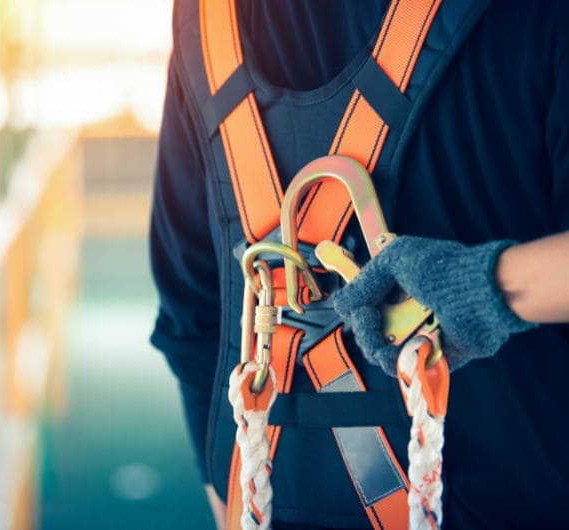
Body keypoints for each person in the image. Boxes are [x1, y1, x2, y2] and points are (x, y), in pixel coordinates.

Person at [149, 1, 569, 528]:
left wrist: (234, 501)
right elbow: (191, 307)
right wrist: (494, 287)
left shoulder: (207, 21)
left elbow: (189, 310)